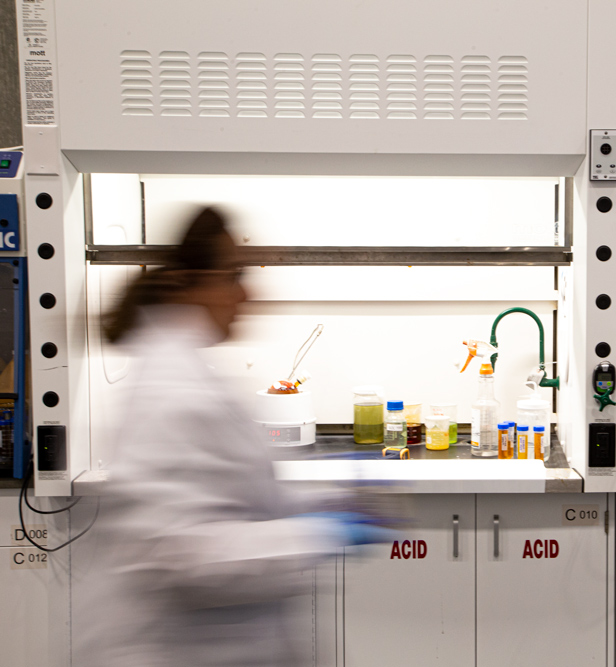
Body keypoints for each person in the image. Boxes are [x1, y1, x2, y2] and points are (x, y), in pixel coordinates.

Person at [77, 207, 388, 667]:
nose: (247, 292)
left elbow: (239, 506)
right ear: (195, 281)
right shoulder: (172, 390)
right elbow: (182, 553)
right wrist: (319, 533)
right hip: (179, 649)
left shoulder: (192, 371)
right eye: (235, 274)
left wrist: (330, 501)